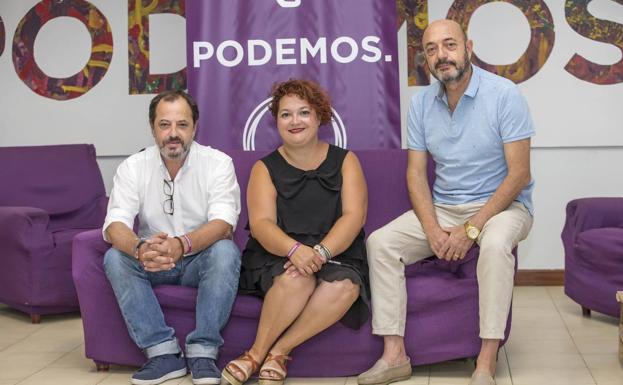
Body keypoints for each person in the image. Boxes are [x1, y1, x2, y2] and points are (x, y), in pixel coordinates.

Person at [358, 19, 535, 385]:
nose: (442, 55)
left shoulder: (504, 95)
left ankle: (485, 360)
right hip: (444, 206)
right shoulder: (421, 103)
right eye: (432, 49)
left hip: (503, 206)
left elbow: (519, 174)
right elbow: (415, 174)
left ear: (468, 48)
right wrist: (432, 230)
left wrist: (472, 228)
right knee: (381, 242)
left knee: (496, 244)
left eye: (449, 45)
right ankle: (395, 355)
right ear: (425, 58)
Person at [221, 79, 369, 385]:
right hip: (279, 252)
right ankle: (254, 354)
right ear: (276, 122)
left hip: (335, 250)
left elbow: (354, 216)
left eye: (303, 112)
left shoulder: (346, 161)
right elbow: (261, 224)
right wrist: (295, 251)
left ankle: (278, 352)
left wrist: (320, 253)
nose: (295, 121)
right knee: (297, 279)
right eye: (286, 114)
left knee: (345, 287)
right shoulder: (264, 168)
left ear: (319, 117)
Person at [102, 90, 241, 385]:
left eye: (182, 124)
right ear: (153, 127)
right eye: (165, 125)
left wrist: (182, 244)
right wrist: (140, 249)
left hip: (198, 259)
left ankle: (203, 353)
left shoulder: (218, 163)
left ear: (195, 126)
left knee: (225, 251)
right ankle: (163, 354)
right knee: (115, 257)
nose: (173, 134)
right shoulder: (132, 166)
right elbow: (116, 224)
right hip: (152, 260)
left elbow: (223, 222)